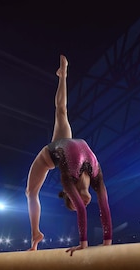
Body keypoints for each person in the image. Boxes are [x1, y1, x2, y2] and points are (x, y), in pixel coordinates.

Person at [25, 55, 113, 256]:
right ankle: (63, 74)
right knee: (61, 111)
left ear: (71, 198)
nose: (81, 205)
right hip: (68, 148)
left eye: (74, 204)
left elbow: (84, 211)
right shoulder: (95, 176)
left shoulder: (69, 180)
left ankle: (35, 233)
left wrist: (84, 244)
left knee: (30, 193)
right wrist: (106, 242)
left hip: (54, 153)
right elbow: (104, 206)